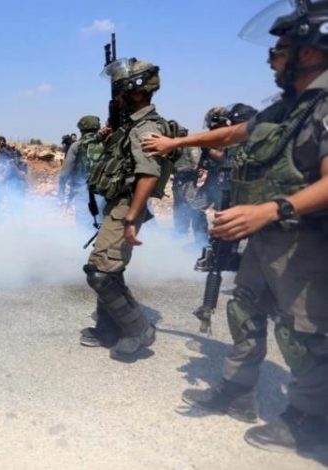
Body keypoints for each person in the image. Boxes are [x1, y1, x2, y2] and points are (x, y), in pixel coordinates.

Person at [144, 0, 328, 452]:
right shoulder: (288, 108)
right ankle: (237, 392)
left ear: (308, 52)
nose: (271, 59)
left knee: (302, 334)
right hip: (263, 240)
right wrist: (178, 142)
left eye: (279, 50)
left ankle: (310, 419)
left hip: (303, 244)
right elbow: (234, 134)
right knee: (244, 312)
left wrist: (269, 210)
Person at [81, 57, 171, 360]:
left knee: (101, 273)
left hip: (126, 205)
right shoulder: (129, 125)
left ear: (136, 91)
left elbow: (149, 173)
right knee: (109, 268)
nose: (118, 96)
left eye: (121, 90)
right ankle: (108, 329)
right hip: (118, 202)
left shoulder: (146, 127)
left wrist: (132, 217)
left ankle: (138, 330)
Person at [58, 115, 106, 227]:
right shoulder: (107, 143)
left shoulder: (76, 146)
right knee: (102, 224)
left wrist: (61, 193)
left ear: (81, 129)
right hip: (103, 190)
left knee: (84, 225)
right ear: (98, 127)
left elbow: (64, 173)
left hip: (83, 191)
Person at [171, 126, 208, 243]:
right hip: (179, 181)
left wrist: (178, 170)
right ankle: (181, 233)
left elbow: (195, 165)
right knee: (179, 208)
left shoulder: (191, 146)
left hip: (189, 182)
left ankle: (201, 238)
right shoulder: (177, 147)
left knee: (195, 208)